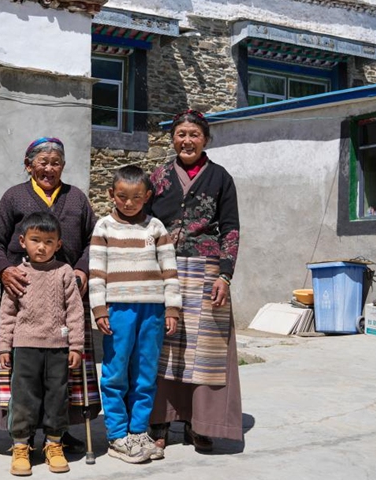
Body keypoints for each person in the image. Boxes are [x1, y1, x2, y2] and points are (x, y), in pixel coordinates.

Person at [0, 137, 100, 452]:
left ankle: (58, 432)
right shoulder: (14, 197)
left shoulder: (76, 198)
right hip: (24, 297)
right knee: (25, 372)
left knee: (64, 373)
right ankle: (23, 434)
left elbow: (93, 239)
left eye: (56, 162)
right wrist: (4, 270)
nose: (49, 168)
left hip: (65, 292)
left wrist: (83, 270)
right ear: (28, 165)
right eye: (43, 162)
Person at [148, 108, 243, 453]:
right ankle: (158, 420)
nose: (187, 140)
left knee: (206, 352)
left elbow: (230, 228)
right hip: (164, 269)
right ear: (172, 138)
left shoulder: (220, 177)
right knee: (160, 346)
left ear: (206, 139)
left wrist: (225, 275)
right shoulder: (157, 176)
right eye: (180, 134)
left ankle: (199, 423)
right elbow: (142, 222)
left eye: (194, 134)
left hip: (206, 270)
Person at [89, 165, 181, 464]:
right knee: (115, 373)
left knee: (145, 372)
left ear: (147, 196)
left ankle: (138, 430)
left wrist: (172, 307)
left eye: (136, 197)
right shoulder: (103, 227)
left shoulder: (156, 228)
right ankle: (117, 436)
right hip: (118, 310)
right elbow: (96, 272)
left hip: (152, 310)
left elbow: (170, 271)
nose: (129, 203)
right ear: (111, 194)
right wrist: (99, 308)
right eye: (122, 196)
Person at [0, 211, 84, 476]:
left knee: (57, 397)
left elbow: (75, 311)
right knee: (23, 399)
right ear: (23, 241)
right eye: (36, 240)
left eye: (48, 241)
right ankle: (21, 445)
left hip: (58, 347)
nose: (42, 247)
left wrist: (76, 346)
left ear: (58, 244)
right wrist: (4, 346)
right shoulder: (18, 274)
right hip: (24, 347)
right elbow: (7, 313)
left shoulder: (65, 272)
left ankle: (54, 444)